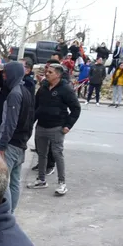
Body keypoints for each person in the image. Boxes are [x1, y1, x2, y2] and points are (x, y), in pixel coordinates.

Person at [28, 64, 80, 196]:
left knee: (57, 154)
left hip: (57, 128)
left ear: (58, 74)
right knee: (41, 154)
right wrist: (30, 122)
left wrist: (68, 125)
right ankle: (41, 180)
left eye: (50, 72)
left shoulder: (66, 89)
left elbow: (75, 108)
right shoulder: (43, 87)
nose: (47, 74)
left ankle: (62, 183)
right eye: (47, 71)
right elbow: (36, 106)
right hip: (41, 126)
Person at [0, 62, 34, 213]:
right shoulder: (25, 91)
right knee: (14, 182)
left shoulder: (15, 94)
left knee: (1, 182)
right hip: (20, 143)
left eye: (6, 73)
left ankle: (6, 215)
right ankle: (10, 213)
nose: (3, 76)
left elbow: (10, 123)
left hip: (10, 145)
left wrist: (2, 145)